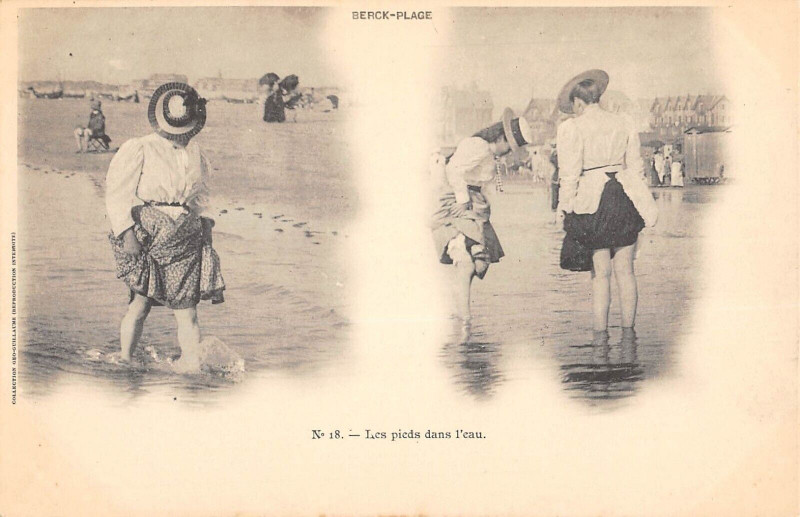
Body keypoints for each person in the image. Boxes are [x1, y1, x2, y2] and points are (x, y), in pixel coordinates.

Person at [105, 82, 225, 373]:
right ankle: (125, 359)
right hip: (150, 235)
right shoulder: (141, 147)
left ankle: (192, 368)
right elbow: (117, 193)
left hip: (185, 235)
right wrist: (127, 234)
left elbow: (202, 197)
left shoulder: (196, 152)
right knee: (140, 304)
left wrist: (206, 231)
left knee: (187, 310)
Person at [555, 70, 657, 341]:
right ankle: (629, 334)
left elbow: (569, 174)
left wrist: (563, 208)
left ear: (578, 103)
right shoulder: (623, 122)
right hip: (624, 195)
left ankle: (599, 337)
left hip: (594, 199)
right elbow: (636, 167)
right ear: (598, 97)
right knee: (626, 270)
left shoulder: (572, 128)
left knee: (601, 273)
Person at [431, 108, 532, 334]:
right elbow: (453, 170)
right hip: (459, 201)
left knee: (480, 264)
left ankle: (458, 310)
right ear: (500, 137)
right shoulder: (477, 146)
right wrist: (462, 198)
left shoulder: (487, 152)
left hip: (474, 204)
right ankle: (465, 320)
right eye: (509, 146)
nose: (508, 153)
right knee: (465, 262)